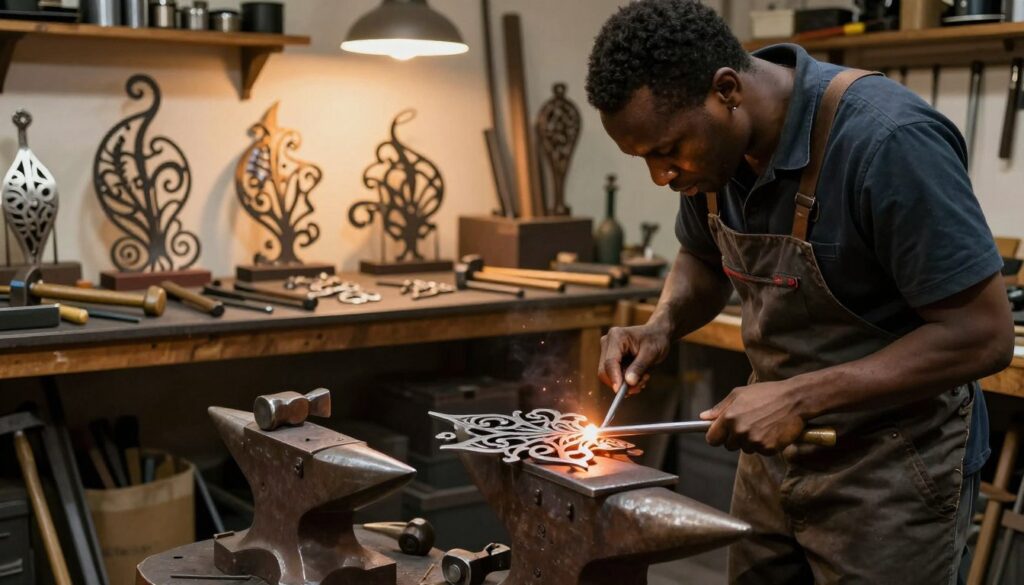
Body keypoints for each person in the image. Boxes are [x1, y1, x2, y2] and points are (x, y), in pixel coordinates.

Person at [585, 1, 1014, 583]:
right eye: (644, 159)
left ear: (727, 90)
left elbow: (982, 337)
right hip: (773, 462)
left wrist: (799, 397)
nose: (662, 176)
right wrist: (661, 325)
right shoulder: (710, 155)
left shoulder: (888, 141)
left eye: (666, 151)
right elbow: (701, 257)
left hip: (892, 471)